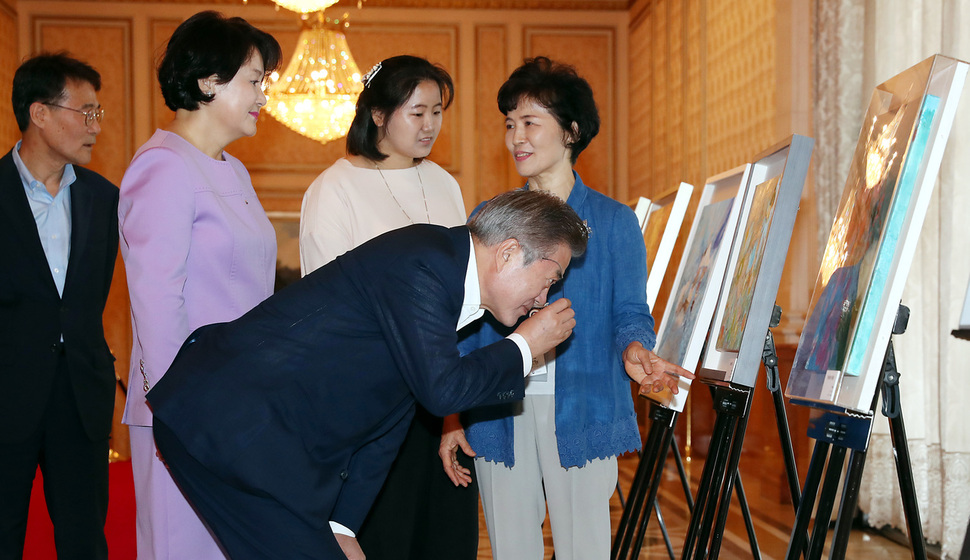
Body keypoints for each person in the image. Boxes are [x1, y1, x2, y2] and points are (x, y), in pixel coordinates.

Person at [147, 189, 587, 560]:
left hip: (254, 435)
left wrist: (344, 523)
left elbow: (391, 412)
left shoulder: (446, 277)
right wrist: (524, 346)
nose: (542, 299)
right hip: (227, 425)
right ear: (509, 252)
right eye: (549, 279)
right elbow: (442, 391)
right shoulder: (426, 264)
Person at [441, 57, 694, 560]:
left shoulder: (616, 222)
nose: (516, 137)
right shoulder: (487, 221)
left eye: (531, 122)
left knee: (585, 549)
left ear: (571, 131)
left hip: (585, 403)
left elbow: (629, 311)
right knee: (512, 549)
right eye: (510, 124)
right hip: (498, 407)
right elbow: (465, 326)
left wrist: (636, 349)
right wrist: (451, 416)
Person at [117, 11, 281, 559]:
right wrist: (182, 408)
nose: (263, 95)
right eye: (254, 81)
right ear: (210, 81)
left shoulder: (231, 169)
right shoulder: (163, 166)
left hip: (239, 406)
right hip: (187, 411)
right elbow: (158, 303)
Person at [299, 55, 476, 558]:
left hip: (440, 394)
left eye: (437, 112)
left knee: (443, 537)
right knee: (382, 537)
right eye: (416, 112)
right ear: (378, 114)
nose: (430, 126)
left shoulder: (444, 183)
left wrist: (453, 411)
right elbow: (325, 316)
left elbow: (461, 302)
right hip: (370, 402)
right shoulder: (334, 189)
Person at [0, 53, 117, 559]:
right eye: (84, 112)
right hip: (5, 395)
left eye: (99, 113)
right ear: (39, 113)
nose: (95, 126)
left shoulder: (105, 199)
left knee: (85, 541)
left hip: (82, 397)